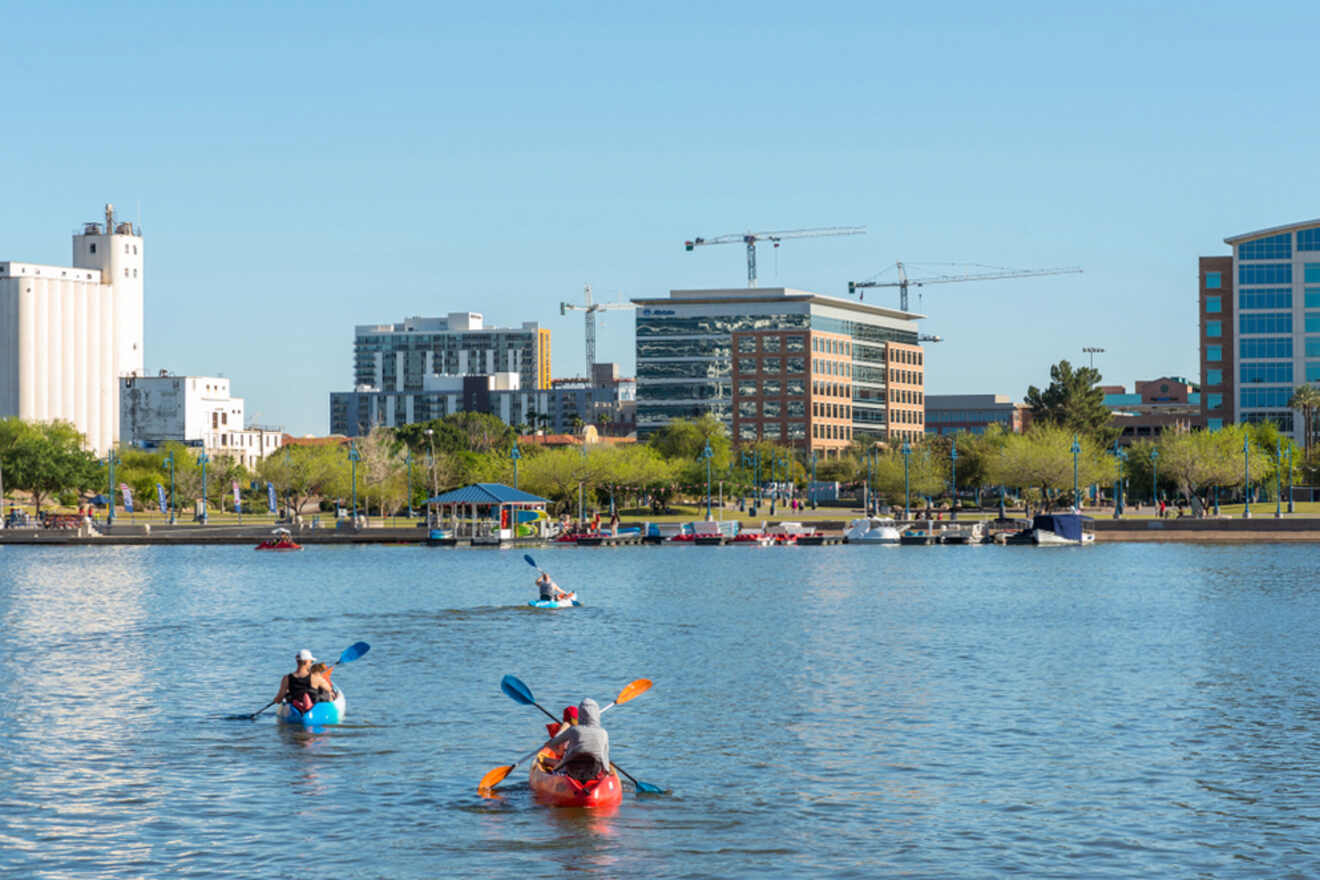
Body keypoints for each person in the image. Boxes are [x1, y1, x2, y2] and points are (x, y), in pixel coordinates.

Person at [545, 697, 610, 782]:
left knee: (550, 765)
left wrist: (565, 726)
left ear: (580, 714)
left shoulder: (574, 730)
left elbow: (553, 743)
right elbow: (605, 758)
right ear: (597, 714)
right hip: (593, 771)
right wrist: (607, 773)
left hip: (572, 771)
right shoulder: (603, 733)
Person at [273, 649, 319, 713]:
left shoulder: (286, 678)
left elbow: (279, 699)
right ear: (306, 662)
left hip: (295, 707)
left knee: (289, 696)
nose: (311, 664)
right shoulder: (315, 678)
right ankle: (307, 704)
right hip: (311, 708)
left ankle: (300, 704)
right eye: (311, 662)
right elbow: (329, 689)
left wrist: (276, 699)